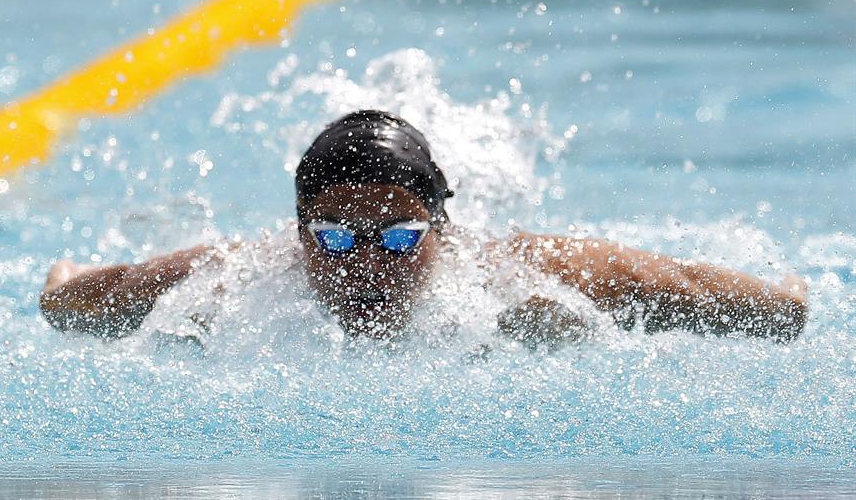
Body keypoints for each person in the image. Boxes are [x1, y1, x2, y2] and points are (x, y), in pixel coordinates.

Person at [40, 110, 808, 345]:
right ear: (299, 234)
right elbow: (83, 297)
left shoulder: (522, 273)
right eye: (336, 238)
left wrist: (783, 304)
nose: (366, 262)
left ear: (441, 228)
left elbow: (676, 284)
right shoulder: (238, 275)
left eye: (402, 237)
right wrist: (63, 288)